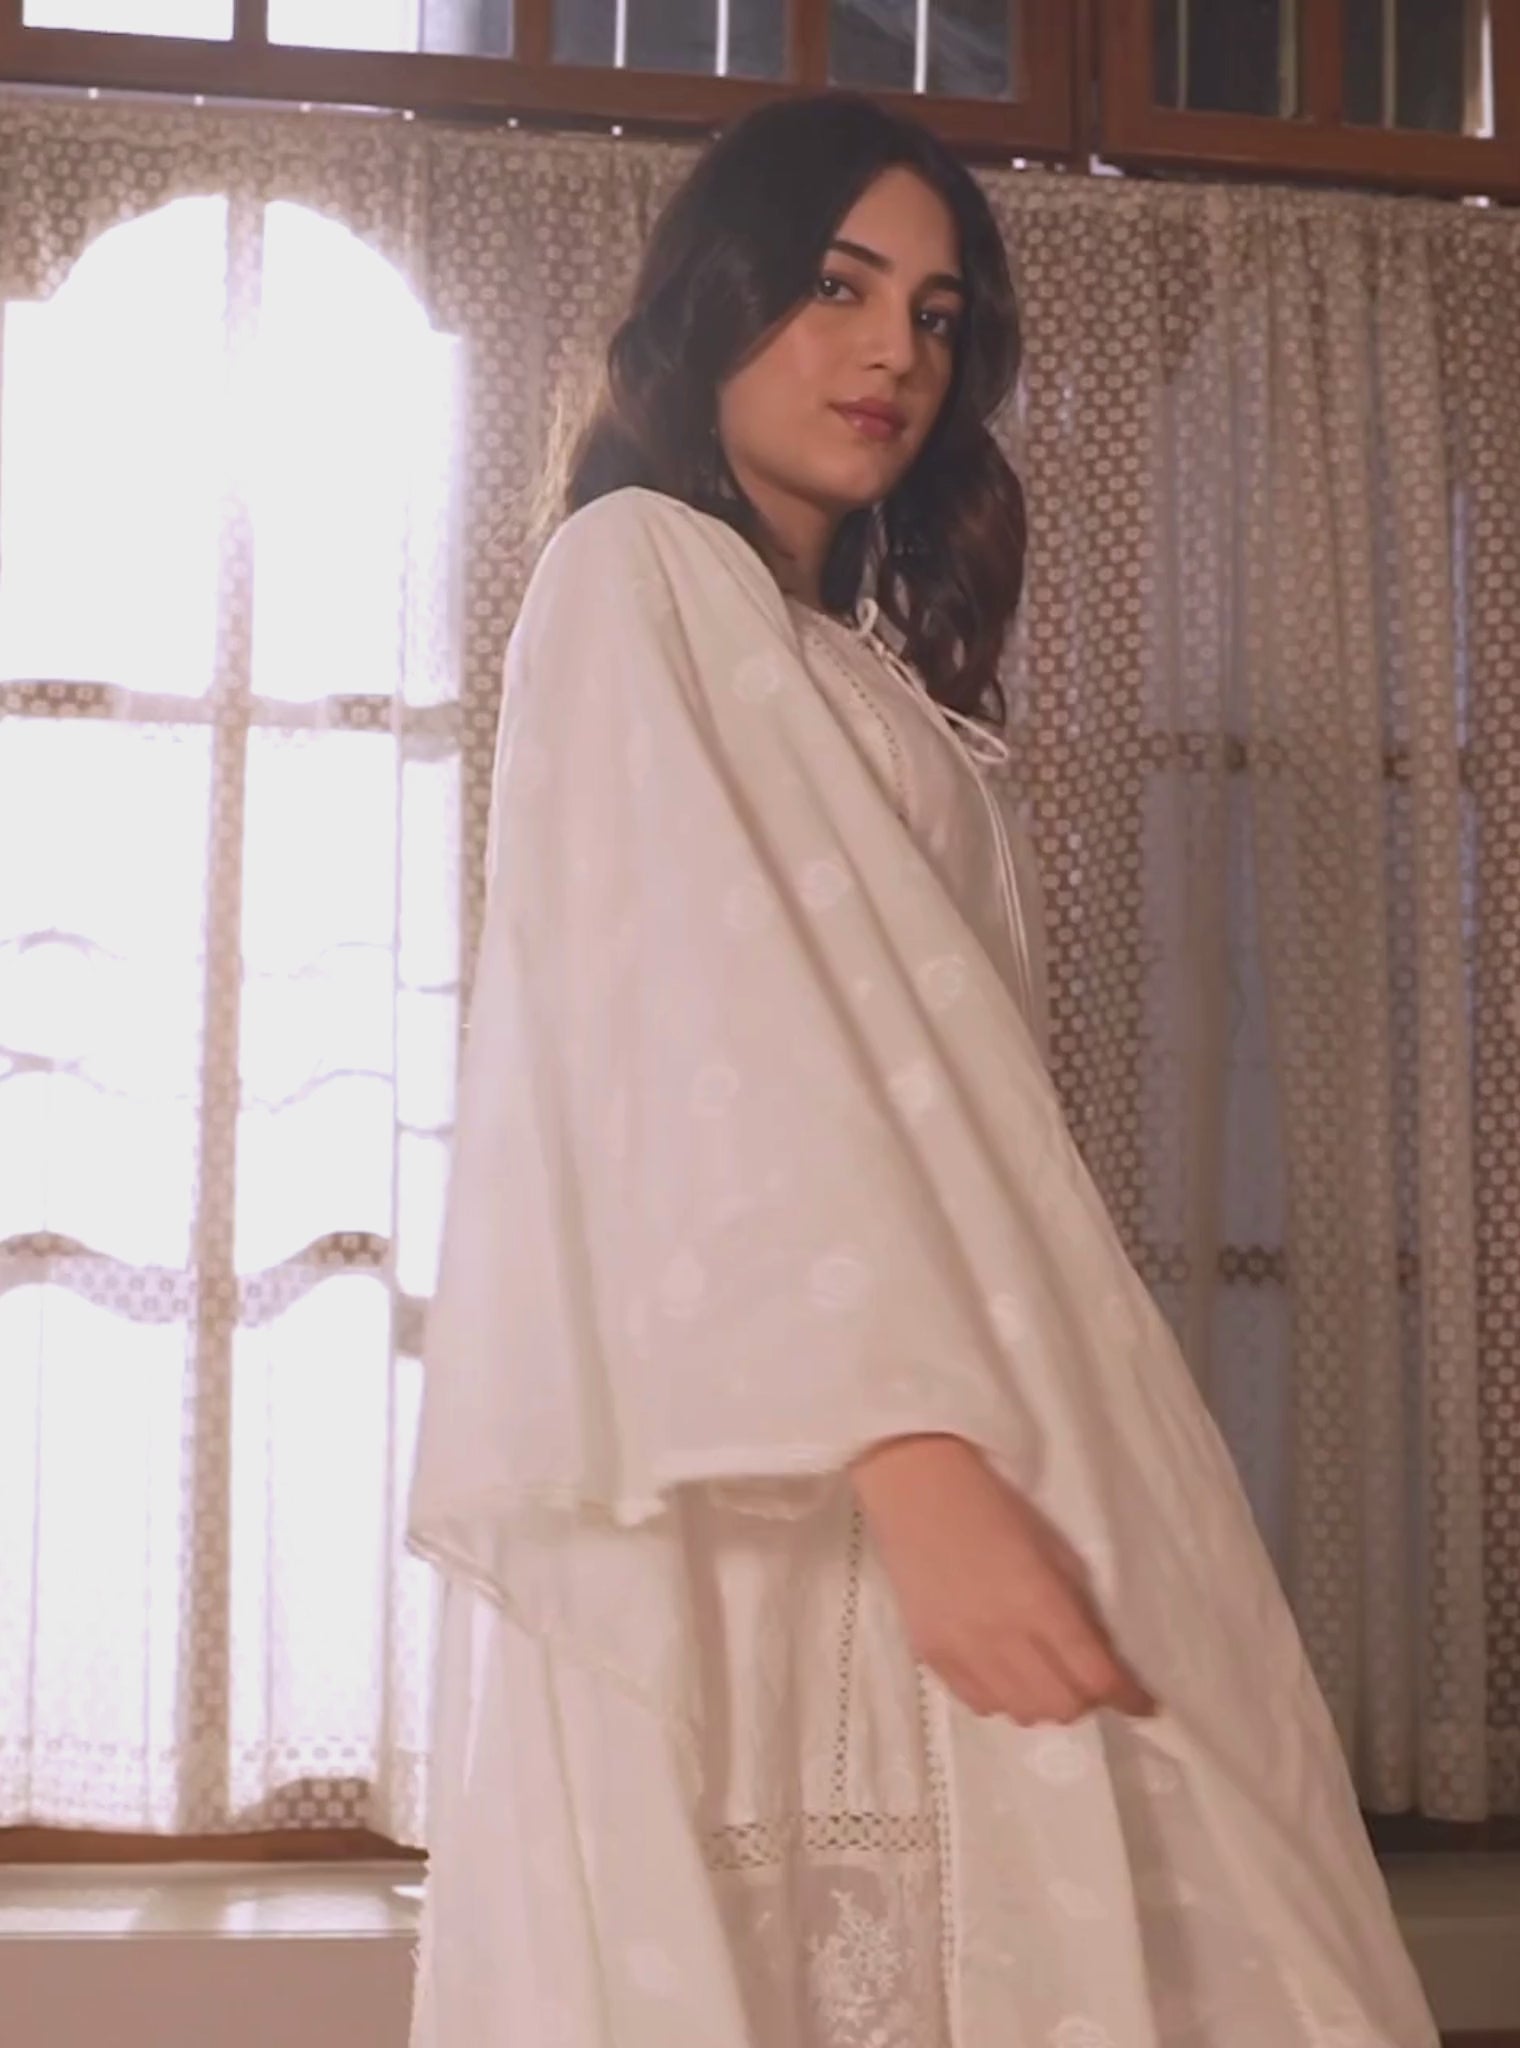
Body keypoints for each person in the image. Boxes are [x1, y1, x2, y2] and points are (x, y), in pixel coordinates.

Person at [406, 93, 1438, 2048]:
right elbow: (692, 1021)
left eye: (938, 315)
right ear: (714, 300)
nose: (895, 350)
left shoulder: (864, 668)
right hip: (811, 1445)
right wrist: (907, 1450)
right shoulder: (635, 571)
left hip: (970, 1391)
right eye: (837, 287)